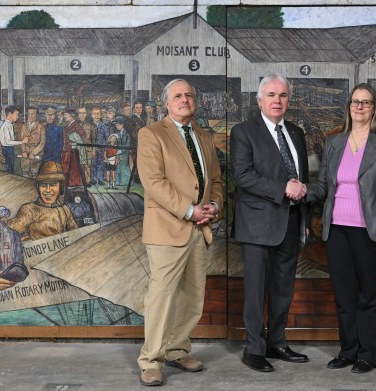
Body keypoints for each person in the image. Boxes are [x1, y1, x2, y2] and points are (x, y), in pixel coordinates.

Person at [306, 82, 376, 373]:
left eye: (365, 102)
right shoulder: (334, 143)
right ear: (349, 107)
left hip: (370, 232)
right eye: (354, 102)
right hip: (337, 230)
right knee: (344, 294)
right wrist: (301, 190)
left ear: (374, 108)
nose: (359, 106)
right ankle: (348, 351)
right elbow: (324, 187)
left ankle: (369, 354)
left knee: (370, 294)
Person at [136, 79, 223, 387]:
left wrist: (214, 204)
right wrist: (189, 209)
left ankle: (177, 350)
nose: (185, 99)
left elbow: (216, 180)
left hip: (200, 229)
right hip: (167, 228)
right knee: (161, 296)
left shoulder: (204, 136)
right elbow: (153, 181)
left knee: (192, 296)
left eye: (189, 95)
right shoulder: (151, 134)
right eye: (178, 96)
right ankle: (151, 360)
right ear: (166, 103)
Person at [231, 74, 311, 373]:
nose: (277, 100)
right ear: (259, 99)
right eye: (271, 95)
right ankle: (254, 349)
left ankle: (277, 342)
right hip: (257, 225)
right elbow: (243, 176)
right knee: (255, 290)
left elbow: (302, 180)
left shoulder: (296, 132)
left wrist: (303, 219)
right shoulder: (243, 132)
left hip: (290, 222)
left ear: (288, 100)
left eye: (283, 95)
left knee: (282, 288)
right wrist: (282, 189)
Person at [0, 161, 78, 241]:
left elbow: (77, 235)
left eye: (53, 185)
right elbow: (10, 230)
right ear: (38, 187)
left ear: (61, 187)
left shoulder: (65, 210)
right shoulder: (30, 210)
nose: (48, 190)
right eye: (44, 185)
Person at [0, 106, 28, 173]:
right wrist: (22, 142)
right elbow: (8, 141)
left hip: (10, 148)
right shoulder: (6, 126)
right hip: (7, 149)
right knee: (10, 168)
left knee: (11, 167)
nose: (17, 116)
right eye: (16, 114)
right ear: (9, 114)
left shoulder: (10, 125)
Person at [20, 106, 46, 178]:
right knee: (25, 173)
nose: (30, 116)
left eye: (33, 114)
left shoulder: (41, 128)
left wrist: (33, 153)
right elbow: (22, 141)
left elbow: (42, 143)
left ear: (36, 115)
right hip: (25, 155)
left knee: (35, 174)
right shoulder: (23, 126)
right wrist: (23, 151)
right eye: (29, 114)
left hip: (36, 156)